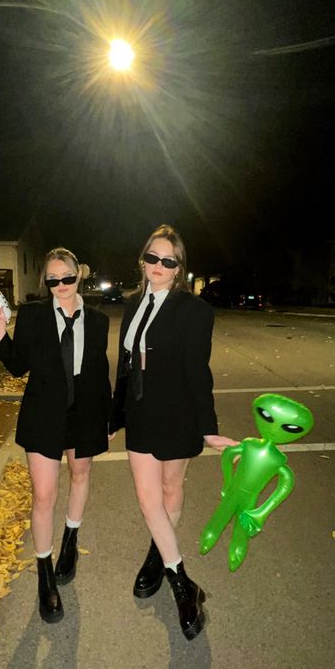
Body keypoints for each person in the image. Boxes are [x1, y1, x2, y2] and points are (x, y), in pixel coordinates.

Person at [110, 224, 237, 640]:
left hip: (179, 413)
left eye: (169, 261)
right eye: (152, 258)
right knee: (150, 502)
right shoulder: (132, 306)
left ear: (179, 267)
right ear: (142, 259)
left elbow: (198, 373)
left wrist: (209, 429)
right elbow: (125, 366)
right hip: (142, 415)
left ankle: (156, 555)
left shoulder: (193, 311)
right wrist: (115, 416)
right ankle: (185, 586)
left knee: (170, 491)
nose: (158, 266)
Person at [0, 248, 111, 624]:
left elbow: (98, 371)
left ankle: (70, 540)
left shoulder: (99, 321)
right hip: (44, 413)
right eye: (52, 280)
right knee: (44, 494)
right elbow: (17, 365)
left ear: (79, 277)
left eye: (66, 278)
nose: (59, 285)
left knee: (80, 475)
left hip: (84, 412)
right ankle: (44, 575)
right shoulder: (34, 316)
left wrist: (107, 415)